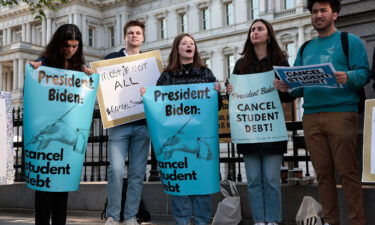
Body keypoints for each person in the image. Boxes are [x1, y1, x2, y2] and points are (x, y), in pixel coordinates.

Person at [275, 1, 370, 225]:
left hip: (341, 113)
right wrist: (286, 87)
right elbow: (298, 85)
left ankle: (357, 221)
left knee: (348, 173)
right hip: (311, 117)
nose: (318, 15)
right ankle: (330, 220)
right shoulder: (306, 47)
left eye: (323, 10)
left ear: (335, 14)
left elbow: (364, 74)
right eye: (314, 11)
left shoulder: (350, 41)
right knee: (323, 175)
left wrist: (348, 77)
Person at [142, 33, 221, 225]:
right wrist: (147, 95)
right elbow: (158, 107)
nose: (189, 46)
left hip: (200, 138)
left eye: (192, 43)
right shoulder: (167, 76)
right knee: (180, 185)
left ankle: (203, 222)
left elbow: (215, 106)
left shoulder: (206, 73)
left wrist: (217, 93)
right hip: (176, 138)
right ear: (177, 49)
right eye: (184, 43)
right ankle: (182, 222)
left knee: (202, 186)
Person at [226, 19, 294, 225]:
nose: (255, 32)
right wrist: (230, 91)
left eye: (260, 29)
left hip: (272, 131)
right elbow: (235, 99)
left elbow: (290, 96)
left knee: (272, 180)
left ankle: (272, 220)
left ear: (268, 34)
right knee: (254, 181)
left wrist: (284, 88)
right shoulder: (241, 64)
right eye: (252, 29)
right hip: (249, 134)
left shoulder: (280, 62)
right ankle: (259, 221)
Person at [30, 24, 93, 225]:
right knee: (44, 191)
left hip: (66, 137)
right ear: (59, 43)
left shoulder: (79, 66)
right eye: (67, 45)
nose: (71, 50)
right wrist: (36, 67)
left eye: (75, 46)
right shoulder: (46, 62)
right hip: (49, 129)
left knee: (61, 190)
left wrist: (87, 76)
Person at [104, 20, 150, 225]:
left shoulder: (150, 62)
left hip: (143, 124)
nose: (134, 36)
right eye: (130, 33)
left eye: (138, 33)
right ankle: (113, 215)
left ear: (143, 37)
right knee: (115, 170)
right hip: (118, 123)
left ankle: (131, 215)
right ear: (125, 36)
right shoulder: (111, 59)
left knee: (138, 173)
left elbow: (159, 90)